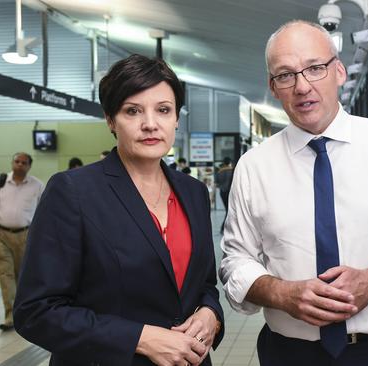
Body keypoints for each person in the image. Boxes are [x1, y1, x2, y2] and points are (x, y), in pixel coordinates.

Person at [219, 21, 368, 366]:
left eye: (315, 68)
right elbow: (235, 260)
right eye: (286, 75)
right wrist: (282, 293)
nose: (302, 86)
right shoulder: (254, 166)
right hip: (290, 354)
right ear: (273, 88)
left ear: (339, 72)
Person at [14, 54, 224, 366]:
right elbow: (36, 311)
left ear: (176, 118)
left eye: (163, 110)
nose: (150, 124)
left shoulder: (193, 192)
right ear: (111, 120)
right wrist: (140, 338)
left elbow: (204, 284)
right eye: (132, 111)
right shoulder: (74, 192)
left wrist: (211, 315)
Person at [0, 153, 43, 331]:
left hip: (26, 235)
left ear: (29, 166)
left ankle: (24, 312)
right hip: (1, 235)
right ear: (12, 163)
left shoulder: (37, 185)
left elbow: (44, 211)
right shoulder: (0, 181)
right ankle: (10, 317)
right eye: (17, 161)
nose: (19, 165)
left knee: (23, 276)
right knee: (6, 276)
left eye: (24, 163)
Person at [214, 157, 234, 232]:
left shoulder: (219, 172)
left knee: (228, 209)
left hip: (222, 192)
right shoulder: (232, 171)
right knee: (229, 210)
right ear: (229, 163)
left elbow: (216, 184)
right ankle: (224, 227)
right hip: (230, 192)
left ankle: (225, 228)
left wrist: (212, 196)